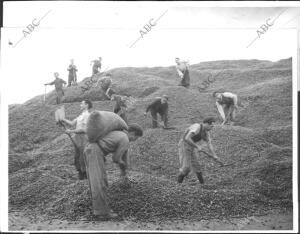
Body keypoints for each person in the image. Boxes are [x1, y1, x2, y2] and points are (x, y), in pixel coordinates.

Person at [84, 123, 143, 220]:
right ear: (132, 133)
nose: (135, 140)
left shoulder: (119, 134)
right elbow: (115, 158)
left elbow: (121, 155)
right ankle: (102, 213)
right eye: (136, 137)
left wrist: (123, 167)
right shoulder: (125, 139)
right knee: (100, 182)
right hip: (95, 152)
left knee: (94, 181)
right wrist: (122, 164)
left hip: (90, 149)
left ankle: (97, 208)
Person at [177, 117, 224, 184]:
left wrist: (214, 155)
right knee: (186, 168)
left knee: (197, 166)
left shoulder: (206, 133)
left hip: (192, 146)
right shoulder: (197, 127)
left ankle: (202, 184)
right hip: (184, 145)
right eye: (211, 126)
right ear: (207, 124)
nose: (212, 127)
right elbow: (187, 138)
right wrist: (197, 146)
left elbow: (209, 144)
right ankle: (178, 184)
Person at [60, 99, 93, 180]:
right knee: (77, 158)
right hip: (77, 140)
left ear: (87, 105)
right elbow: (71, 123)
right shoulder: (81, 115)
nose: (80, 105)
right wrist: (63, 119)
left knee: (82, 159)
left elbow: (84, 130)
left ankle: (85, 176)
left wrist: (70, 131)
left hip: (83, 140)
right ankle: (80, 175)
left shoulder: (87, 116)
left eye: (82, 104)